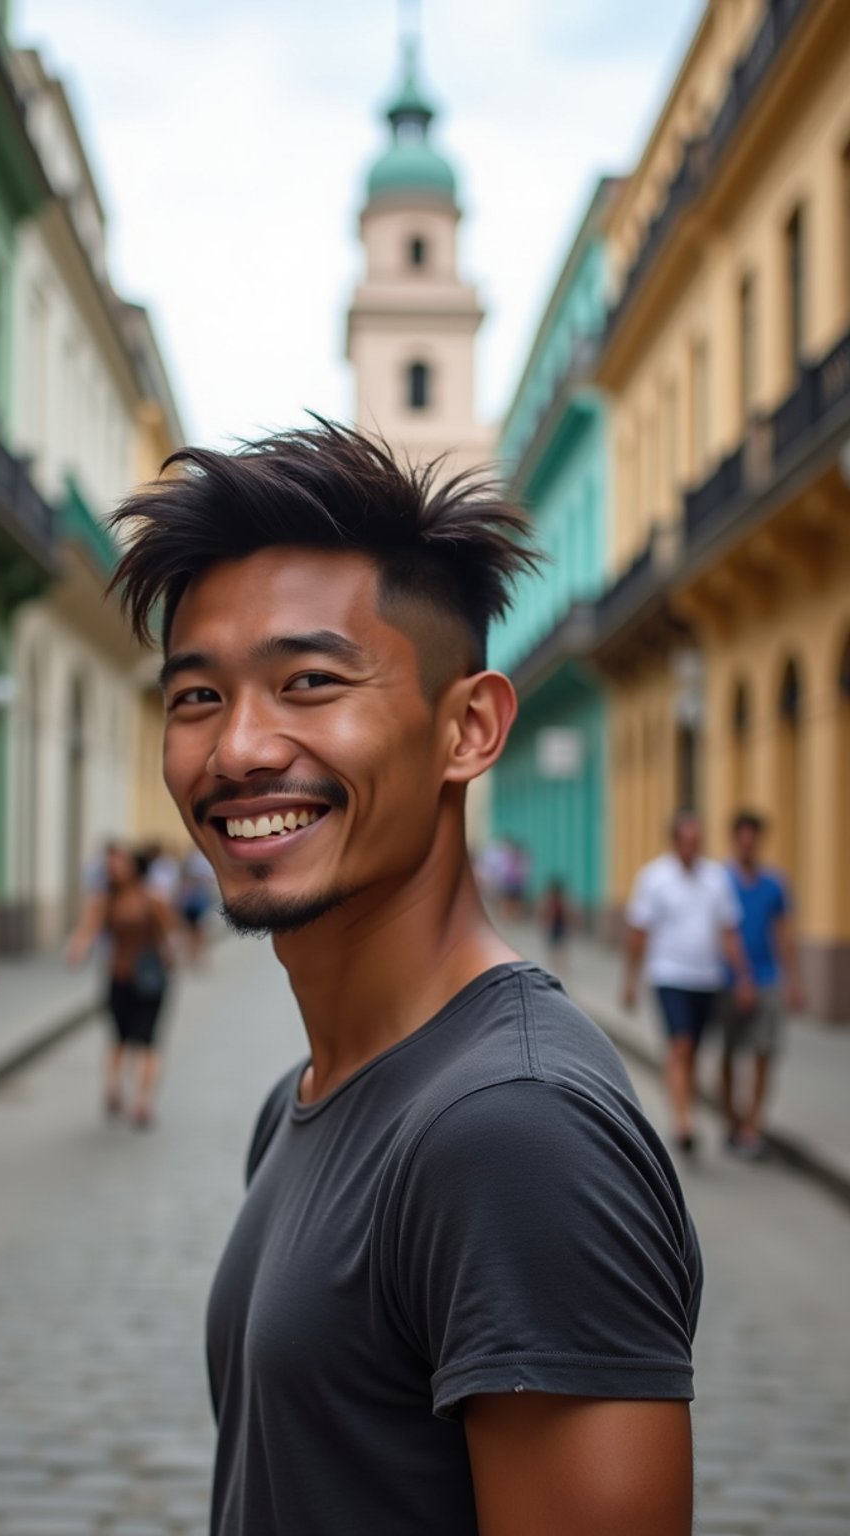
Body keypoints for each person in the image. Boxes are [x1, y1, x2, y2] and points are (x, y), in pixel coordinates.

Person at [111, 420, 702, 1536]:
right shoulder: (307, 1096)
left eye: (309, 682)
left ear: (467, 728)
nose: (237, 749)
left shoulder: (513, 1132)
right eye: (196, 698)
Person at [623, 810, 753, 1155]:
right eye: (686, 840)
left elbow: (729, 931)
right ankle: (684, 1123)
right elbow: (640, 932)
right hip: (669, 975)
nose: (692, 847)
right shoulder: (654, 878)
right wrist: (630, 981)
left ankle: (685, 1106)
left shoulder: (716, 878)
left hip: (708, 979)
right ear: (675, 841)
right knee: (680, 1045)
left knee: (693, 1049)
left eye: (697, 841)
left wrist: (742, 977)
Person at [68, 843, 177, 1127]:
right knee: (118, 1037)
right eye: (110, 863)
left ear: (133, 866)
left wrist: (172, 954)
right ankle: (114, 1087)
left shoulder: (152, 898)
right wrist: (78, 948)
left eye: (119, 862)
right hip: (118, 976)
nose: (113, 867)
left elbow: (170, 931)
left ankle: (142, 1101)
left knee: (148, 1040)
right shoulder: (104, 900)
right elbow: (89, 928)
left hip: (151, 978)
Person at [720, 810, 804, 1159]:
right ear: (735, 839)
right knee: (728, 1054)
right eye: (743, 837)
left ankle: (753, 1125)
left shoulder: (774, 884)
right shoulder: (720, 880)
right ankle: (732, 1119)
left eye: (754, 837)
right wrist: (740, 978)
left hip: (768, 979)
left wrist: (793, 979)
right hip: (726, 980)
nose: (748, 844)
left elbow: (783, 933)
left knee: (764, 1052)